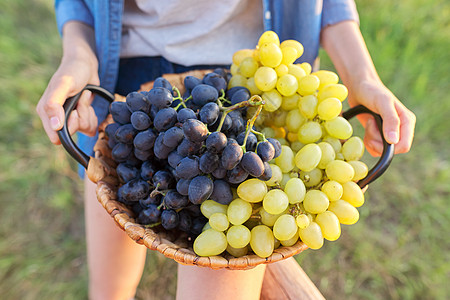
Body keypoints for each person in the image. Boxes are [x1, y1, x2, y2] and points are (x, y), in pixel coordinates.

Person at [36, 0, 416, 299]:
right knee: (109, 283)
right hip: (132, 84)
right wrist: (79, 54)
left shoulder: (243, 145)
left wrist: (362, 76)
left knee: (222, 259)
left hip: (249, 87)